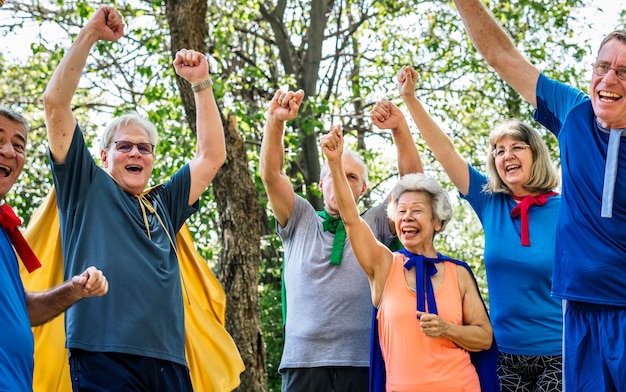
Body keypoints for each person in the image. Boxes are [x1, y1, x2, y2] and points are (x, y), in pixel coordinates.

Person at [42, 6, 226, 391]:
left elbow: (211, 157)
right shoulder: (86, 186)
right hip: (102, 355)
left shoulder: (163, 203)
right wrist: (91, 32)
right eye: (124, 146)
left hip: (169, 361)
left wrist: (201, 82)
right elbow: (55, 104)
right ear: (105, 156)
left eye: (145, 148)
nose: (136, 154)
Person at [450, 1, 626, 389]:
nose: (609, 79)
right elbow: (501, 56)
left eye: (623, 71)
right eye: (602, 67)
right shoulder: (573, 111)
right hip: (578, 311)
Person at [397, 65, 563, 390]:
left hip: (558, 351)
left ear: (536, 154)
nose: (507, 155)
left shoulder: (565, 209)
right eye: (499, 150)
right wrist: (410, 99)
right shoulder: (490, 202)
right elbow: (445, 152)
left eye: (516, 147)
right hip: (504, 356)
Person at [259, 89, 421, 391]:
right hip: (303, 363)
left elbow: (412, 185)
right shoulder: (300, 217)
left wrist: (399, 128)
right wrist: (275, 122)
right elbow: (271, 174)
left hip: (363, 362)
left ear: (362, 190)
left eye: (352, 177)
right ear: (321, 184)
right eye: (336, 174)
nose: (342, 181)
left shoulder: (373, 223)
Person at [321, 124, 493, 391]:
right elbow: (352, 220)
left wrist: (447, 329)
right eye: (401, 211)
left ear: (437, 222)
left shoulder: (458, 273)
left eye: (417, 210)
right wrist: (334, 162)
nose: (407, 217)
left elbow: (483, 337)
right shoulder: (384, 265)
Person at [0, 107, 108, 391]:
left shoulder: (4, 235)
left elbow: (23, 310)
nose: (9, 151)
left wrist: (74, 288)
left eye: (18, 145)